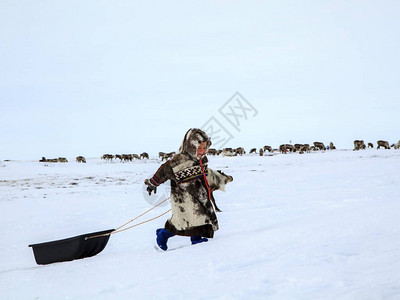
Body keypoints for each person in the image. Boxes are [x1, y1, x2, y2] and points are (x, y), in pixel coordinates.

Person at [144, 128, 218, 251]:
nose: (202, 151)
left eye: (205, 148)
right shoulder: (178, 161)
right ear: (190, 146)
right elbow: (163, 172)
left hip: (200, 196)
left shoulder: (202, 160)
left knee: (201, 218)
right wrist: (153, 183)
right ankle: (163, 234)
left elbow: (204, 175)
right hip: (183, 199)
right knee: (182, 223)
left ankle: (196, 240)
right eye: (199, 148)